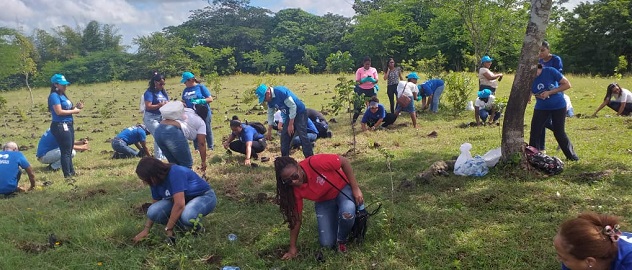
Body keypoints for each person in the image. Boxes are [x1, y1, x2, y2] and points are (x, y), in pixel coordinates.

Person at [274, 154, 364, 259]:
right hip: (324, 200)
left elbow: (344, 161)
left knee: (347, 212)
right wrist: (292, 247)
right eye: (288, 181)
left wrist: (355, 188)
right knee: (327, 243)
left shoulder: (315, 162)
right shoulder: (293, 190)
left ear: (298, 166)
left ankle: (341, 240)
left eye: (295, 176)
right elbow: (296, 219)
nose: (294, 182)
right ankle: (338, 221)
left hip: (342, 189)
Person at [132, 157, 217, 243]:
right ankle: (183, 229)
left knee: (187, 216)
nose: (145, 183)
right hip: (183, 201)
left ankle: (198, 229)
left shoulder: (175, 173)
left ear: (154, 174)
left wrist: (169, 228)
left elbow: (179, 205)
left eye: (145, 179)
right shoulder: (154, 181)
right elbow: (155, 206)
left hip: (204, 197)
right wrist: (146, 230)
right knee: (153, 211)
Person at [529, 64, 579, 161]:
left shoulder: (550, 71)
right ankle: (533, 157)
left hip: (558, 105)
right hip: (541, 107)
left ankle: (572, 156)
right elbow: (530, 90)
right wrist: (531, 95)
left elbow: (567, 84)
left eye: (536, 72)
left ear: (540, 68)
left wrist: (550, 92)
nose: (534, 75)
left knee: (559, 132)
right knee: (535, 131)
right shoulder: (529, 77)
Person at [554, 212, 632, 270]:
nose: (558, 259)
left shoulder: (628, 263)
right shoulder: (574, 260)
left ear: (589, 261)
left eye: (564, 258)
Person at [255, 84, 314, 158]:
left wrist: (291, 124)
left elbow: (293, 106)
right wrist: (269, 131)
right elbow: (270, 113)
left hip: (299, 112)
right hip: (289, 115)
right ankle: (285, 160)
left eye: (264, 98)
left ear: (268, 92)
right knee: (284, 136)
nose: (265, 101)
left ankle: (310, 158)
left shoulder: (280, 92)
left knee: (302, 135)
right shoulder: (270, 100)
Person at [155, 101, 208, 170]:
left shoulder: (189, 110)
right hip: (172, 132)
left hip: (159, 130)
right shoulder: (201, 123)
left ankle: (175, 180)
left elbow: (180, 104)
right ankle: (186, 180)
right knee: (186, 164)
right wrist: (203, 161)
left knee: (173, 164)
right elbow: (202, 143)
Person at [48, 74, 83, 178]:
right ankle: (67, 175)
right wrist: (74, 111)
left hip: (68, 124)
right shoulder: (54, 96)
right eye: (62, 84)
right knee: (66, 151)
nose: (65, 86)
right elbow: (58, 112)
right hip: (60, 125)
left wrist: (76, 107)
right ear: (55, 84)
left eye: (65, 84)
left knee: (70, 148)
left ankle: (72, 172)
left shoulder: (63, 95)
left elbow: (67, 108)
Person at [180, 72, 214, 152]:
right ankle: (197, 148)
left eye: (185, 82)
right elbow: (183, 101)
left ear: (191, 80)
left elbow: (210, 99)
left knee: (207, 129)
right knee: (194, 129)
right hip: (191, 113)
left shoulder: (201, 87)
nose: (185, 83)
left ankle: (210, 147)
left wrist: (200, 101)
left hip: (203, 111)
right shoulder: (185, 90)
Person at [142, 72, 169, 160]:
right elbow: (148, 106)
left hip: (161, 116)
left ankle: (164, 155)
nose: (162, 85)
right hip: (151, 118)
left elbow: (167, 101)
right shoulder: (149, 93)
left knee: (164, 135)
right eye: (161, 84)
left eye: (163, 84)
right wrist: (159, 105)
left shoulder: (163, 92)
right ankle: (158, 157)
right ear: (155, 82)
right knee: (158, 134)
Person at [352, 57, 379, 124]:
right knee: (359, 106)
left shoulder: (373, 70)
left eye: (369, 64)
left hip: (371, 89)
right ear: (363, 64)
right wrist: (364, 80)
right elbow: (357, 81)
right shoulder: (359, 70)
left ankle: (373, 120)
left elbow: (376, 80)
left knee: (373, 105)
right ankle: (354, 120)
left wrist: (372, 80)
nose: (367, 66)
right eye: (366, 64)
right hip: (362, 90)